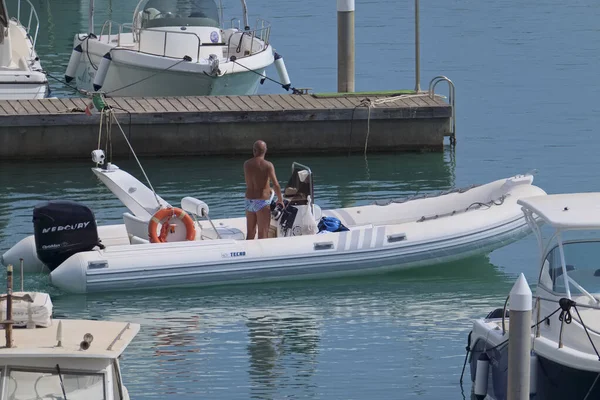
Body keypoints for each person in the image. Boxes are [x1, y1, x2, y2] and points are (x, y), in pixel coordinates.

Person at [244, 140, 284, 239]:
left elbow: (253, 181)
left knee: (250, 233)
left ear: (254, 151)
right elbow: (276, 184)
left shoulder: (246, 164)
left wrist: (267, 187)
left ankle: (249, 253)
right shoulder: (268, 165)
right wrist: (280, 199)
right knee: (263, 234)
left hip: (249, 201)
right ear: (265, 151)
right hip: (262, 202)